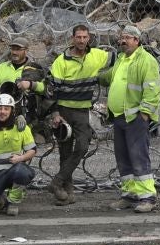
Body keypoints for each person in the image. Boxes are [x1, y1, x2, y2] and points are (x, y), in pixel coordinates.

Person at [43, 22, 113, 204]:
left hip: (82, 111)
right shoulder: (61, 61)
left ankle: (57, 182)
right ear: (72, 39)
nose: (81, 41)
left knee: (82, 145)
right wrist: (55, 113)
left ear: (89, 38)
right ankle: (67, 192)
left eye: (84, 37)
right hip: (64, 111)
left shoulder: (97, 56)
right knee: (65, 152)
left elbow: (119, 58)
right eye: (78, 37)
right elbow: (51, 91)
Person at [105, 24, 160, 213]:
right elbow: (114, 79)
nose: (123, 41)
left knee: (138, 156)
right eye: (122, 38)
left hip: (135, 116)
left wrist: (145, 112)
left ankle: (147, 197)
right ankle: (129, 195)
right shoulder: (121, 59)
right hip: (120, 116)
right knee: (123, 158)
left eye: (127, 38)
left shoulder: (146, 60)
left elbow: (153, 88)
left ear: (137, 41)